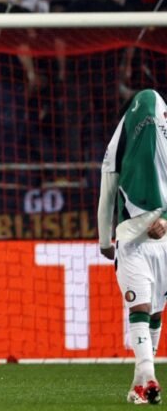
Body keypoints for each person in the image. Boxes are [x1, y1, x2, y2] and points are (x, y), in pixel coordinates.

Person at [98, 89, 167, 405]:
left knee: (154, 312)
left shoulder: (118, 146)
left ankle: (139, 385)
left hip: (162, 243)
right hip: (131, 241)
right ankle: (150, 376)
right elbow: (108, 194)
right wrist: (105, 240)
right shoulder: (117, 148)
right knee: (139, 307)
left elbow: (106, 196)